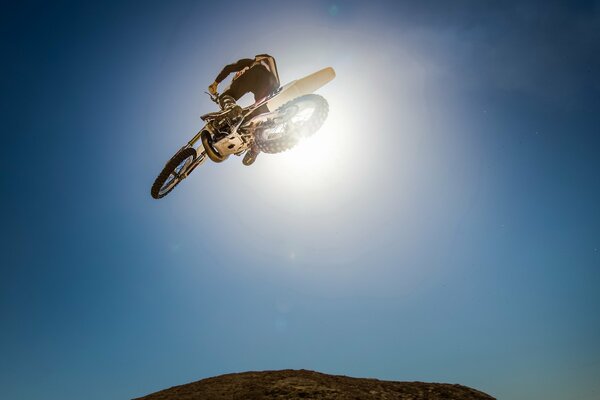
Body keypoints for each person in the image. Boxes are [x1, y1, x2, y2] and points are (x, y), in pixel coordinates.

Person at [208, 54, 280, 165]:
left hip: (257, 73)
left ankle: (231, 108)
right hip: (271, 85)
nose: (237, 76)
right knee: (259, 112)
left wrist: (215, 83)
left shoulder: (249, 64)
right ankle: (256, 147)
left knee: (225, 97)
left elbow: (229, 68)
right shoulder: (262, 67)